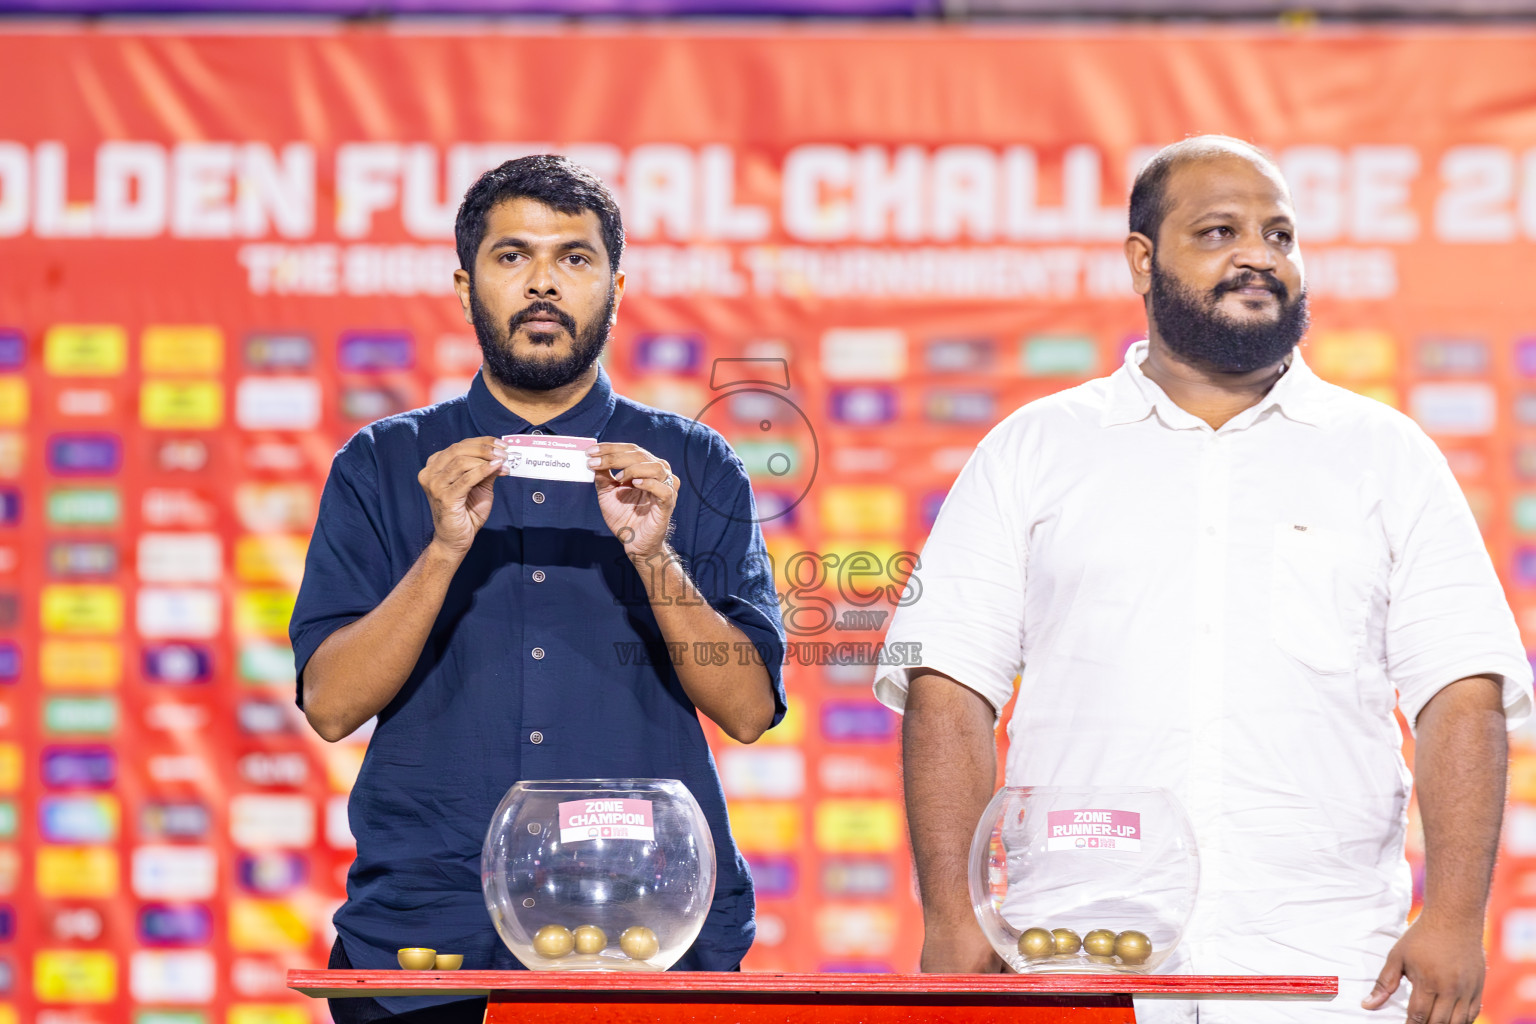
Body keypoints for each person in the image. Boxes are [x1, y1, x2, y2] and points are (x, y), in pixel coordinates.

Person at [876, 135, 1531, 1024]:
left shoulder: (1387, 456)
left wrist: (1455, 916)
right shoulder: (1033, 450)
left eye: (1281, 234)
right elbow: (950, 686)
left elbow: (1461, 689)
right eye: (1219, 232)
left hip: (1327, 963)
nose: (1259, 255)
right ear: (1143, 262)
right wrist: (952, 917)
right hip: (1074, 953)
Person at [290, 155, 786, 1022]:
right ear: (464, 282)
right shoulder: (381, 464)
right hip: (427, 935)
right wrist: (444, 549)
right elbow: (332, 705)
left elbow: (746, 709)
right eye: (513, 256)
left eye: (575, 258)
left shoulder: (694, 466)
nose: (544, 284)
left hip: (642, 932)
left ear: (617, 286)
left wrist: (653, 557)